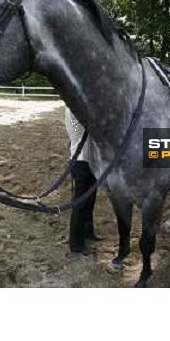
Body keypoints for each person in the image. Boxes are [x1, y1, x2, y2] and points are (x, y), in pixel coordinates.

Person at [64, 107, 103, 253]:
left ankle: (88, 232)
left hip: (90, 160)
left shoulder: (77, 106)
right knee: (80, 204)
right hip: (81, 161)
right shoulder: (74, 109)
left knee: (90, 200)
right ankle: (76, 245)